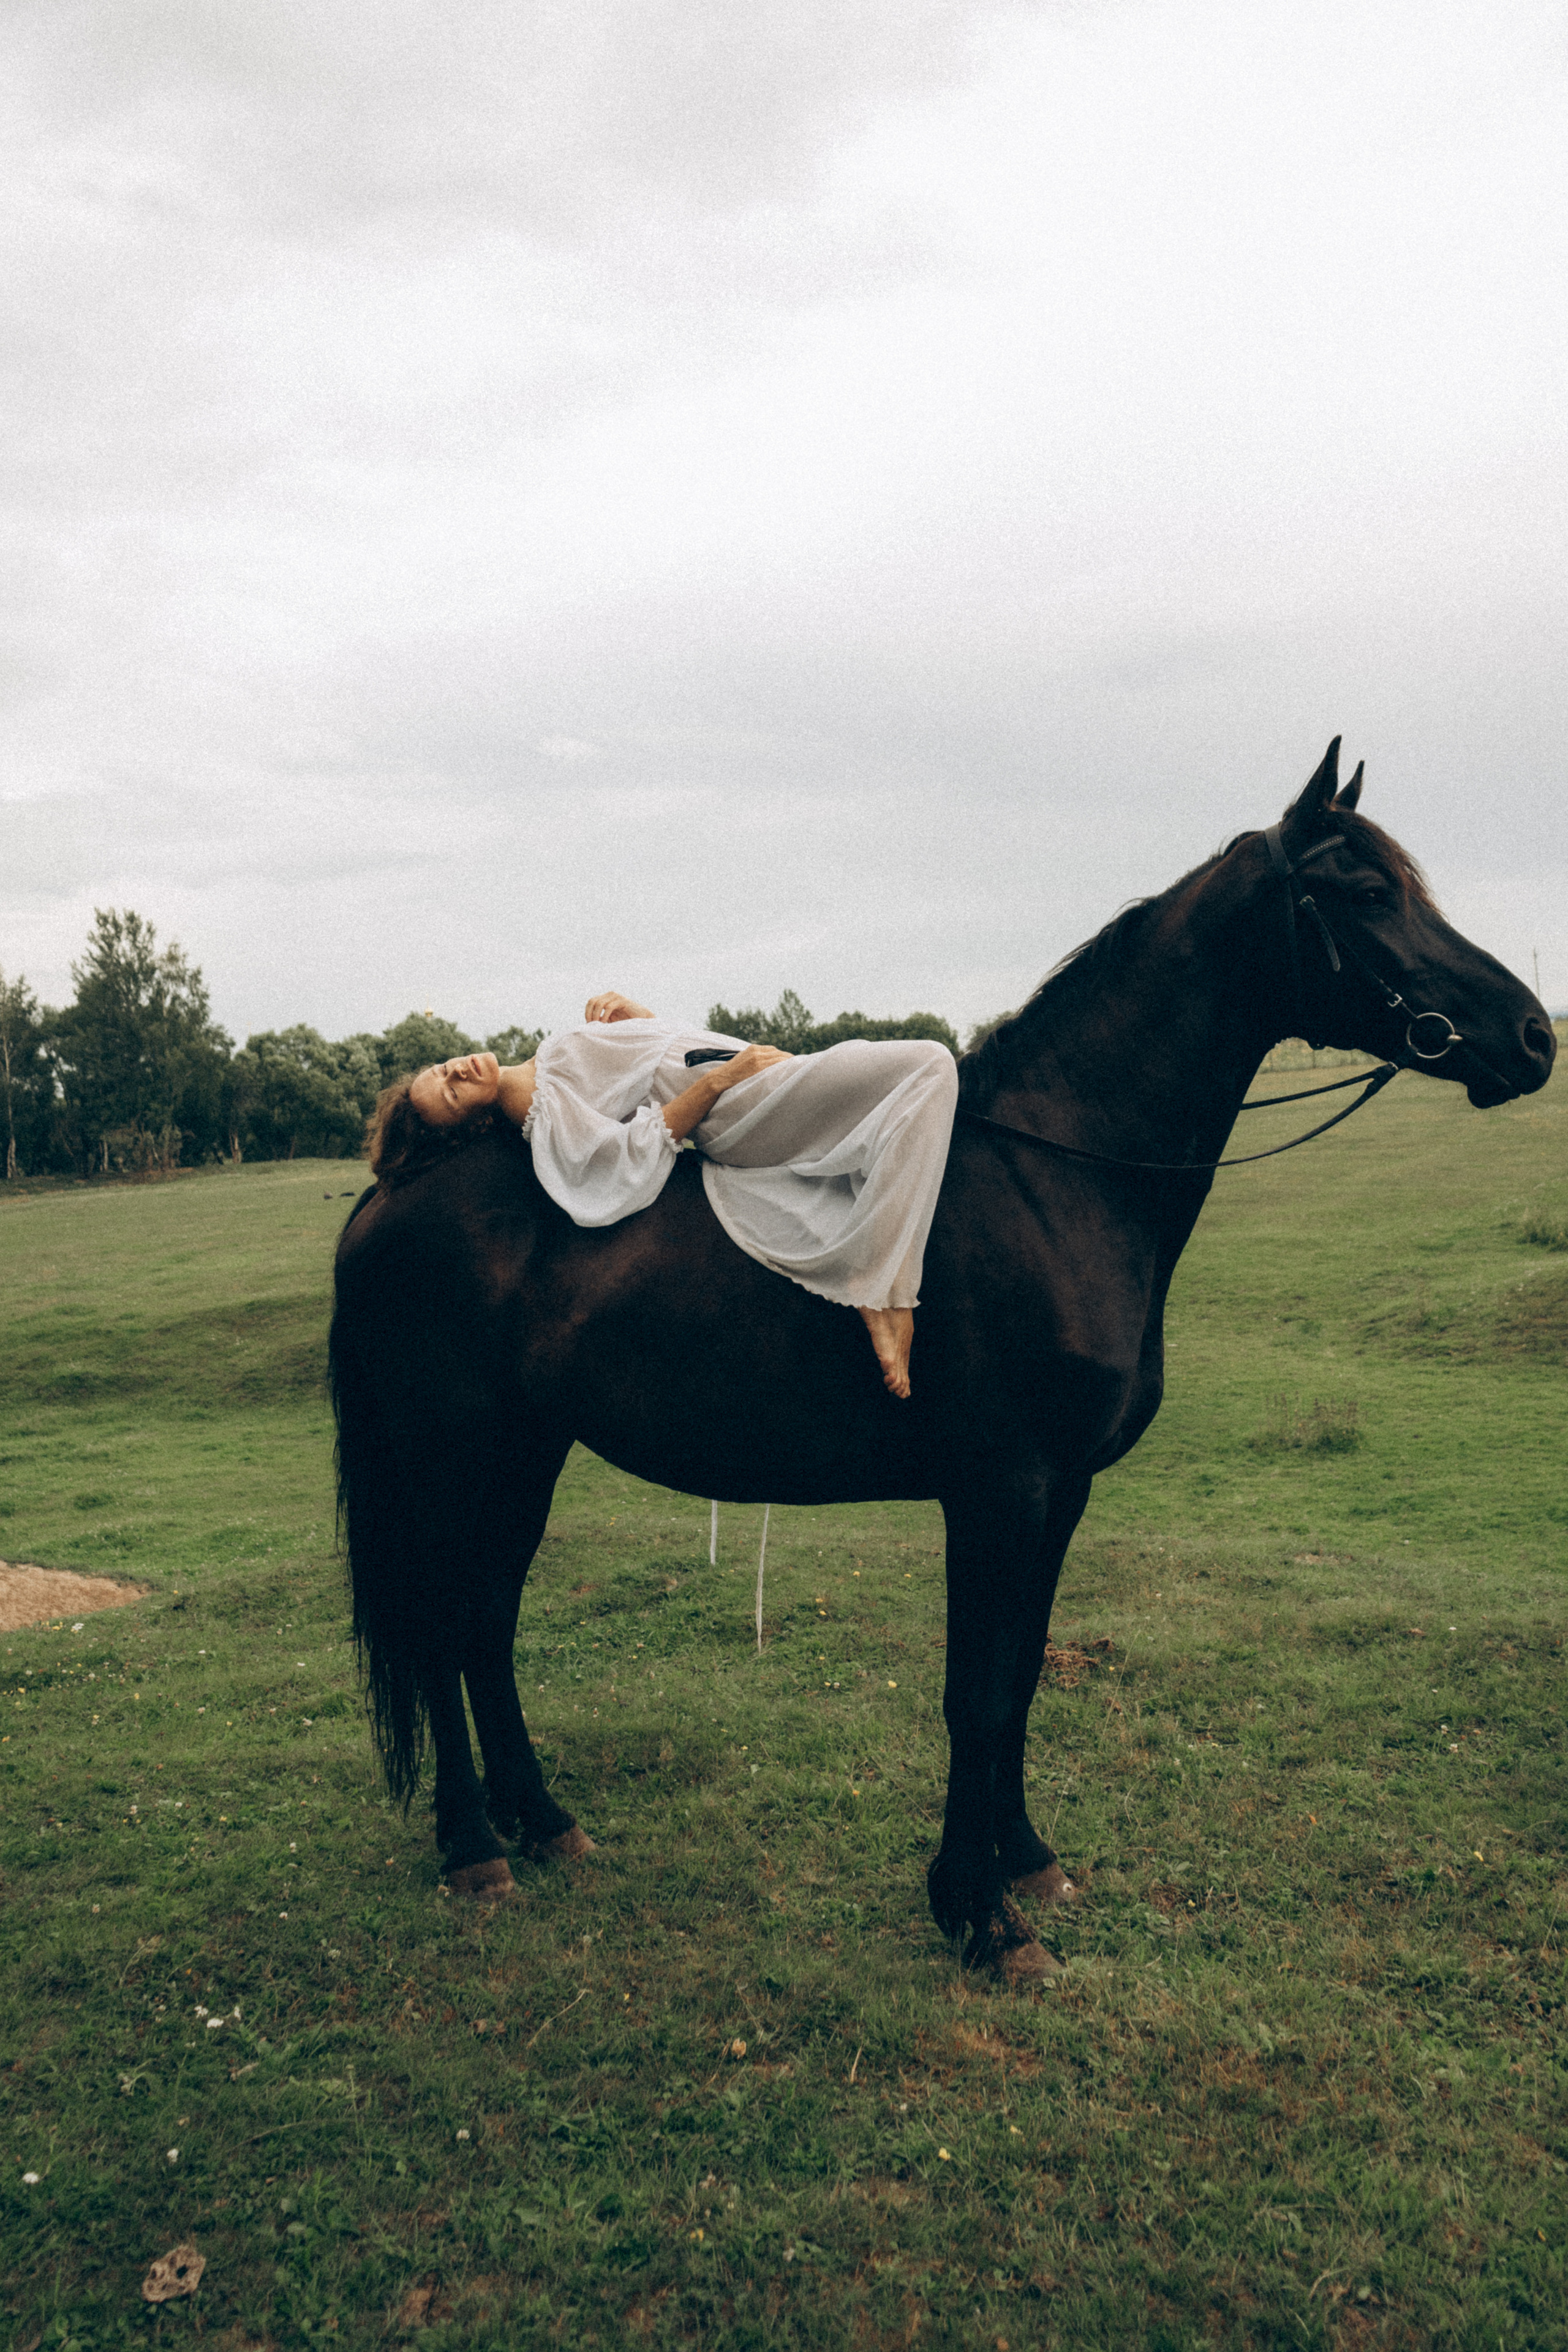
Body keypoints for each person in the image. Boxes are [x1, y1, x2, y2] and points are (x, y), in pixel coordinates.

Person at [388, 990, 958, 1398]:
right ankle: (885, 1294)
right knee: (930, 1064)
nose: (455, 1072)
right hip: (740, 1106)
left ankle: (881, 1274)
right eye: (453, 1093)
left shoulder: (537, 1067)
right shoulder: (533, 1110)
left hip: (741, 1075)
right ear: (478, 1124)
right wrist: (722, 1080)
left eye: (442, 1071)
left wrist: (642, 1019)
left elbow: (649, 1064)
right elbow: (621, 1160)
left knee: (913, 1091)